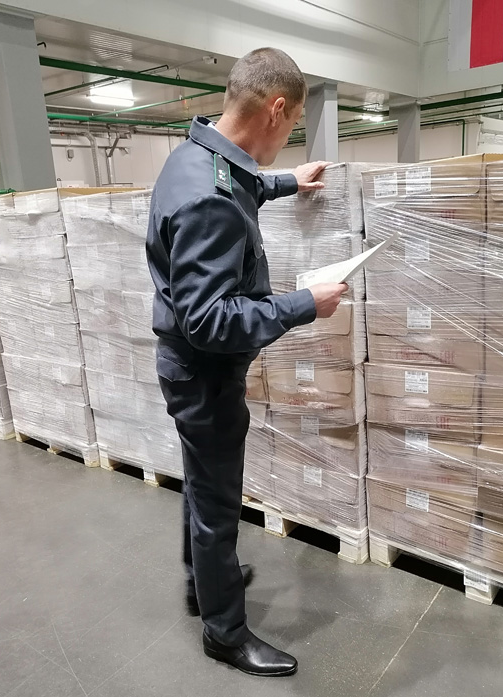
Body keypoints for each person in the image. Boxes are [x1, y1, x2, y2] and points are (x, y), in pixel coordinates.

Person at [146, 47, 348, 677]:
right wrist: (304, 304)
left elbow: (243, 185)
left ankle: (202, 582)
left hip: (187, 370)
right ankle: (224, 632)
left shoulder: (194, 156)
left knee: (200, 483)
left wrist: (291, 181)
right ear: (276, 109)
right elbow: (209, 320)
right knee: (216, 502)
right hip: (205, 375)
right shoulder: (208, 196)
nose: (288, 140)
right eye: (293, 127)